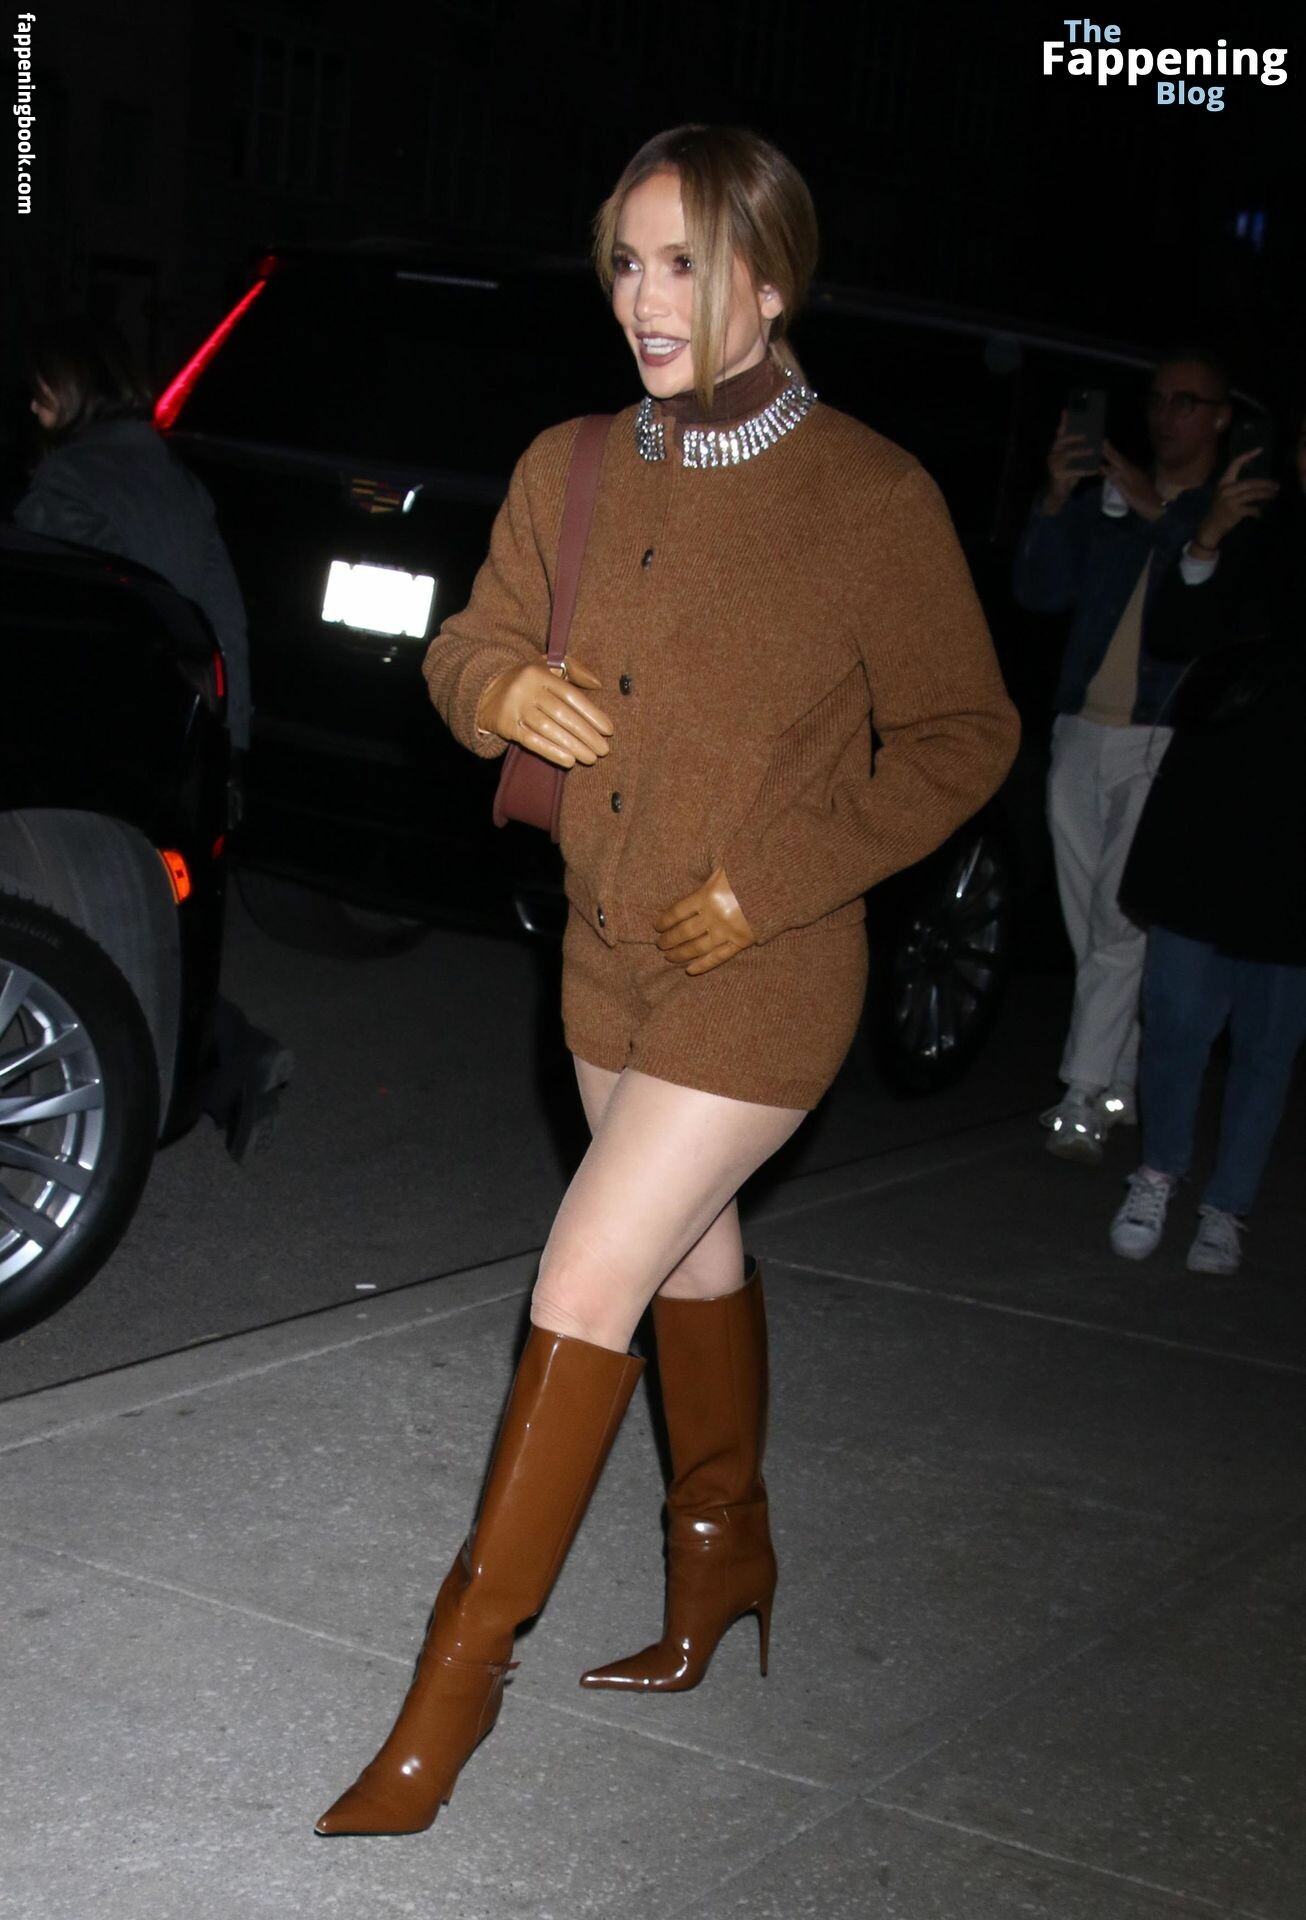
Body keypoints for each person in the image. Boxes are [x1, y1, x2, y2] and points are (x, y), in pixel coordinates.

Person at [314, 123, 1019, 1840]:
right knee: (691, 1253)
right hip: (603, 953)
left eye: (685, 264)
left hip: (764, 968)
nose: (643, 297)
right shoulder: (569, 462)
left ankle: (447, 1701)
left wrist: (768, 880)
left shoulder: (869, 496)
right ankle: (724, 1560)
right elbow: (468, 642)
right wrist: (493, 695)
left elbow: (963, 733)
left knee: (585, 1276)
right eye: (626, 262)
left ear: (770, 286)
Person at [12, 316, 289, 1160]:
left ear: (77, 387)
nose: (32, 401)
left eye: (43, 386)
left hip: (89, 737)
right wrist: (234, 742)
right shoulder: (174, 478)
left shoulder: (66, 482)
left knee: (74, 928)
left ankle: (201, 1064)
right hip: (180, 726)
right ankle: (231, 1058)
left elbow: (49, 614)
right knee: (158, 927)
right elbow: (224, 616)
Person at [1013, 351, 1233, 1164]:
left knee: (1118, 919)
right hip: (1081, 724)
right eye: (1159, 400)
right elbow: (1040, 592)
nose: (1167, 416)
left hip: (1160, 733)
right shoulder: (1110, 497)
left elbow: (1217, 612)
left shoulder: (1223, 512)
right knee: (1089, 925)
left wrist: (1164, 518)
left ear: (1219, 417)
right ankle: (1121, 1080)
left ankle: (1081, 1095)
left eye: (1187, 402)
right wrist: (1056, 498)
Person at [1109, 410, 1304, 1274]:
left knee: (1269, 1036)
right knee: (1178, 1014)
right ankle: (1157, 1172)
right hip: (1213, 805)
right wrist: (1210, 537)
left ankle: (1228, 1206)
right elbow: (1175, 638)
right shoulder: (1256, 528)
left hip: (1296, 835)